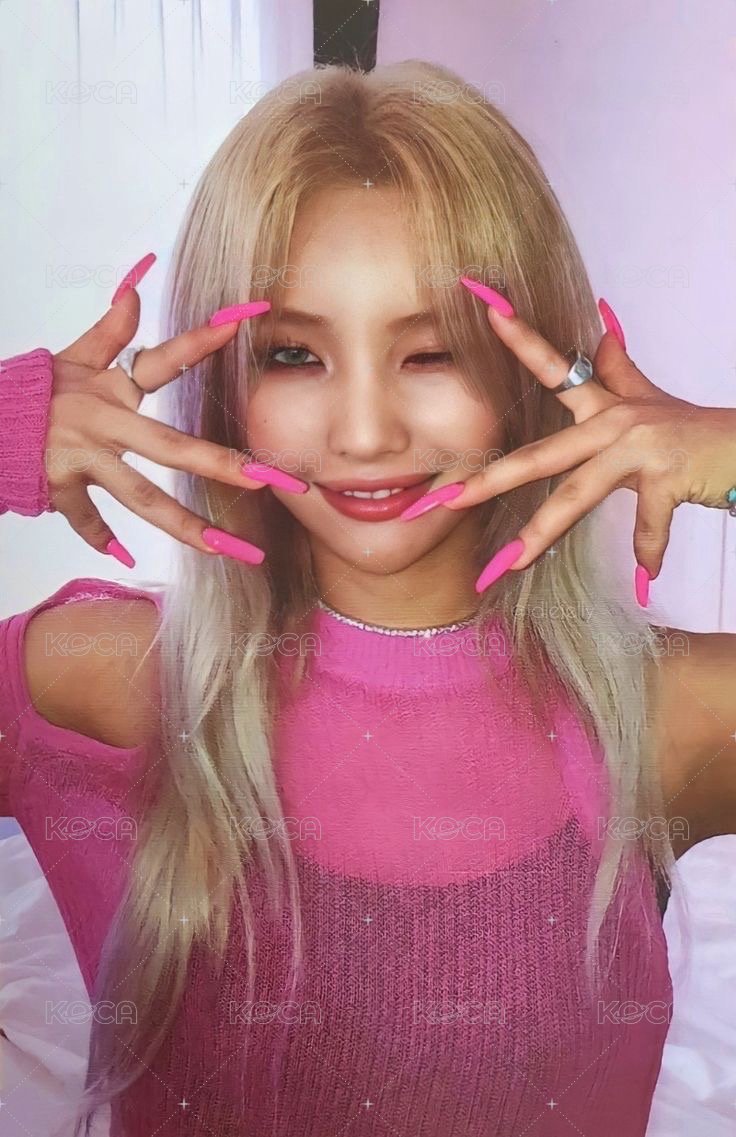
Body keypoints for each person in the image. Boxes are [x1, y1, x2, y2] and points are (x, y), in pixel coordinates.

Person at [1, 58, 735, 1137]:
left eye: (430, 351)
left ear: (530, 372)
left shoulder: (668, 714)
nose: (363, 433)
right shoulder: (111, 680)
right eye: (295, 354)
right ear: (226, 386)